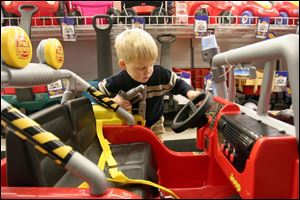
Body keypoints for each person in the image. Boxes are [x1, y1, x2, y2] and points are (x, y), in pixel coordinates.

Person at [98, 28, 200, 136]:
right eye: (142, 68)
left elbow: (178, 84)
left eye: (151, 64)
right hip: (128, 125)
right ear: (123, 65)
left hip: (155, 124)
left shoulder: (160, 74)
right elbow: (94, 94)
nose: (148, 71)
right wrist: (113, 101)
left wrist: (190, 93)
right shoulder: (118, 81)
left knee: (156, 150)